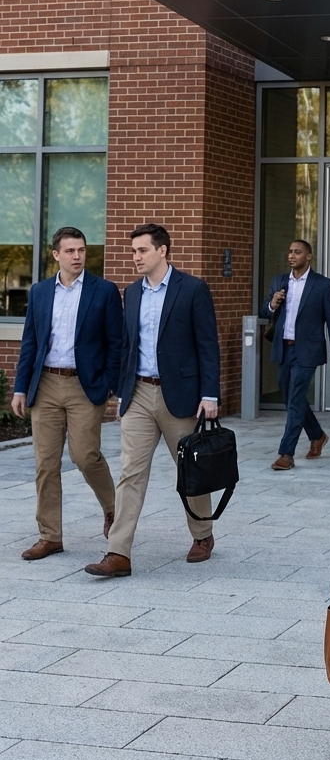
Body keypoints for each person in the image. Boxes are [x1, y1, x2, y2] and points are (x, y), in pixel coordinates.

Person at [85, 223, 221, 578]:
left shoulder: (192, 289)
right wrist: (121, 391)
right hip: (139, 393)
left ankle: (202, 534)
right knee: (130, 473)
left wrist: (210, 395)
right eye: (133, 251)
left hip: (181, 396)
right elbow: (125, 346)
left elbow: (208, 345)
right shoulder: (131, 293)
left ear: (162, 251)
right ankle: (118, 552)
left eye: (142, 250)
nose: (135, 257)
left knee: (190, 470)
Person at [11, 226, 122, 560]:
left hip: (84, 385)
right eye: (70, 251)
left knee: (85, 454)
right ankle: (50, 536)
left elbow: (116, 343)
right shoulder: (41, 292)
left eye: (82, 250)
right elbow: (30, 340)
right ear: (56, 255)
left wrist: (111, 387)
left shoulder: (103, 291)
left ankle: (114, 508)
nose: (77, 257)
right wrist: (20, 387)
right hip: (44, 384)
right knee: (45, 463)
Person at [259, 239, 330, 470]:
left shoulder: (322, 285)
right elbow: (263, 311)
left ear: (308, 256)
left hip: (307, 350)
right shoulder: (280, 281)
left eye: (297, 252)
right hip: (283, 348)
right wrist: (272, 304)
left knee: (295, 398)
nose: (291, 256)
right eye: (290, 251)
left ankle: (286, 454)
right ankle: (317, 435)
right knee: (290, 399)